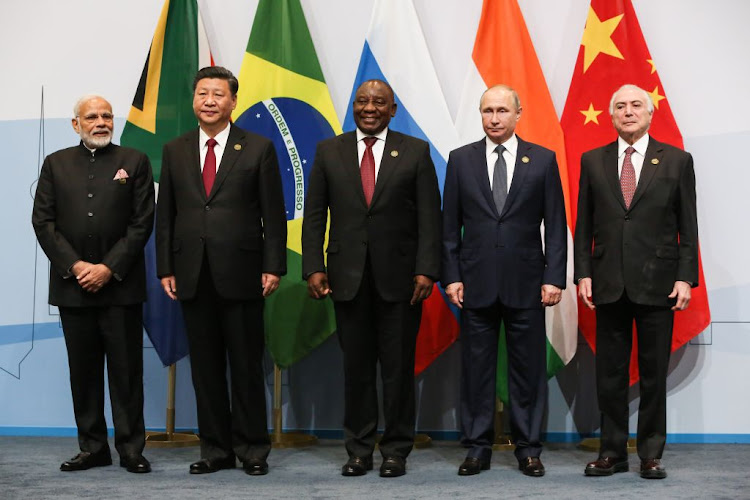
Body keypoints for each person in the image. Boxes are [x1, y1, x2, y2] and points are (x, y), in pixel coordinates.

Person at [302, 79, 441, 478]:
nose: (369, 107)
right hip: (346, 280)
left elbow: (430, 217)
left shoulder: (415, 152)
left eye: (379, 102)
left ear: (392, 110)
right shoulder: (329, 151)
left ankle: (396, 450)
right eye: (362, 101)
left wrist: (426, 269)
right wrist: (313, 266)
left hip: (401, 283)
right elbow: (314, 217)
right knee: (357, 369)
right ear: (353, 107)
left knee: (397, 372)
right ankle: (359, 450)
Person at [155, 66, 287, 476]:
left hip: (245, 272)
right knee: (206, 369)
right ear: (193, 101)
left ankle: (252, 450)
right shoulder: (175, 149)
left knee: (246, 366)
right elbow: (167, 216)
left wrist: (273, 266)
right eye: (202, 93)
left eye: (218, 94)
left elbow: (273, 215)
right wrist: (166, 267)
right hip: (191, 274)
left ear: (233, 101)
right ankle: (215, 449)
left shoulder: (258, 148)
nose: (209, 100)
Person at [441, 85, 567, 477]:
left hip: (528, 283)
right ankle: (477, 447)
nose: (494, 118)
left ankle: (528, 448)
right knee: (476, 370)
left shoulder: (543, 160)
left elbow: (557, 226)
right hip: (475, 282)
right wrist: (452, 276)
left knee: (527, 370)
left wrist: (554, 278)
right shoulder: (460, 160)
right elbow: (449, 228)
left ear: (518, 114)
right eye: (487, 111)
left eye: (501, 111)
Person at [575, 84, 699, 480]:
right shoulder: (592, 160)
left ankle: (650, 453)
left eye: (635, 106)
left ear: (650, 113)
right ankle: (611, 451)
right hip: (608, 282)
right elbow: (584, 227)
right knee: (609, 374)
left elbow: (688, 227)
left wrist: (685, 277)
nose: (627, 112)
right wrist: (583, 273)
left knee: (652, 373)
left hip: (658, 283)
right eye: (620, 107)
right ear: (611, 115)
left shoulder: (677, 161)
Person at [32, 95, 154, 473]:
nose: (100, 121)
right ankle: (93, 447)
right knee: (83, 373)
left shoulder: (134, 161)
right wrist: (77, 265)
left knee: (127, 372)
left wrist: (107, 267)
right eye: (91, 116)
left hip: (121, 287)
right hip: (73, 287)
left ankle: (131, 449)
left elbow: (142, 222)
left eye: (106, 115)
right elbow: (43, 222)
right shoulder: (55, 164)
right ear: (76, 124)